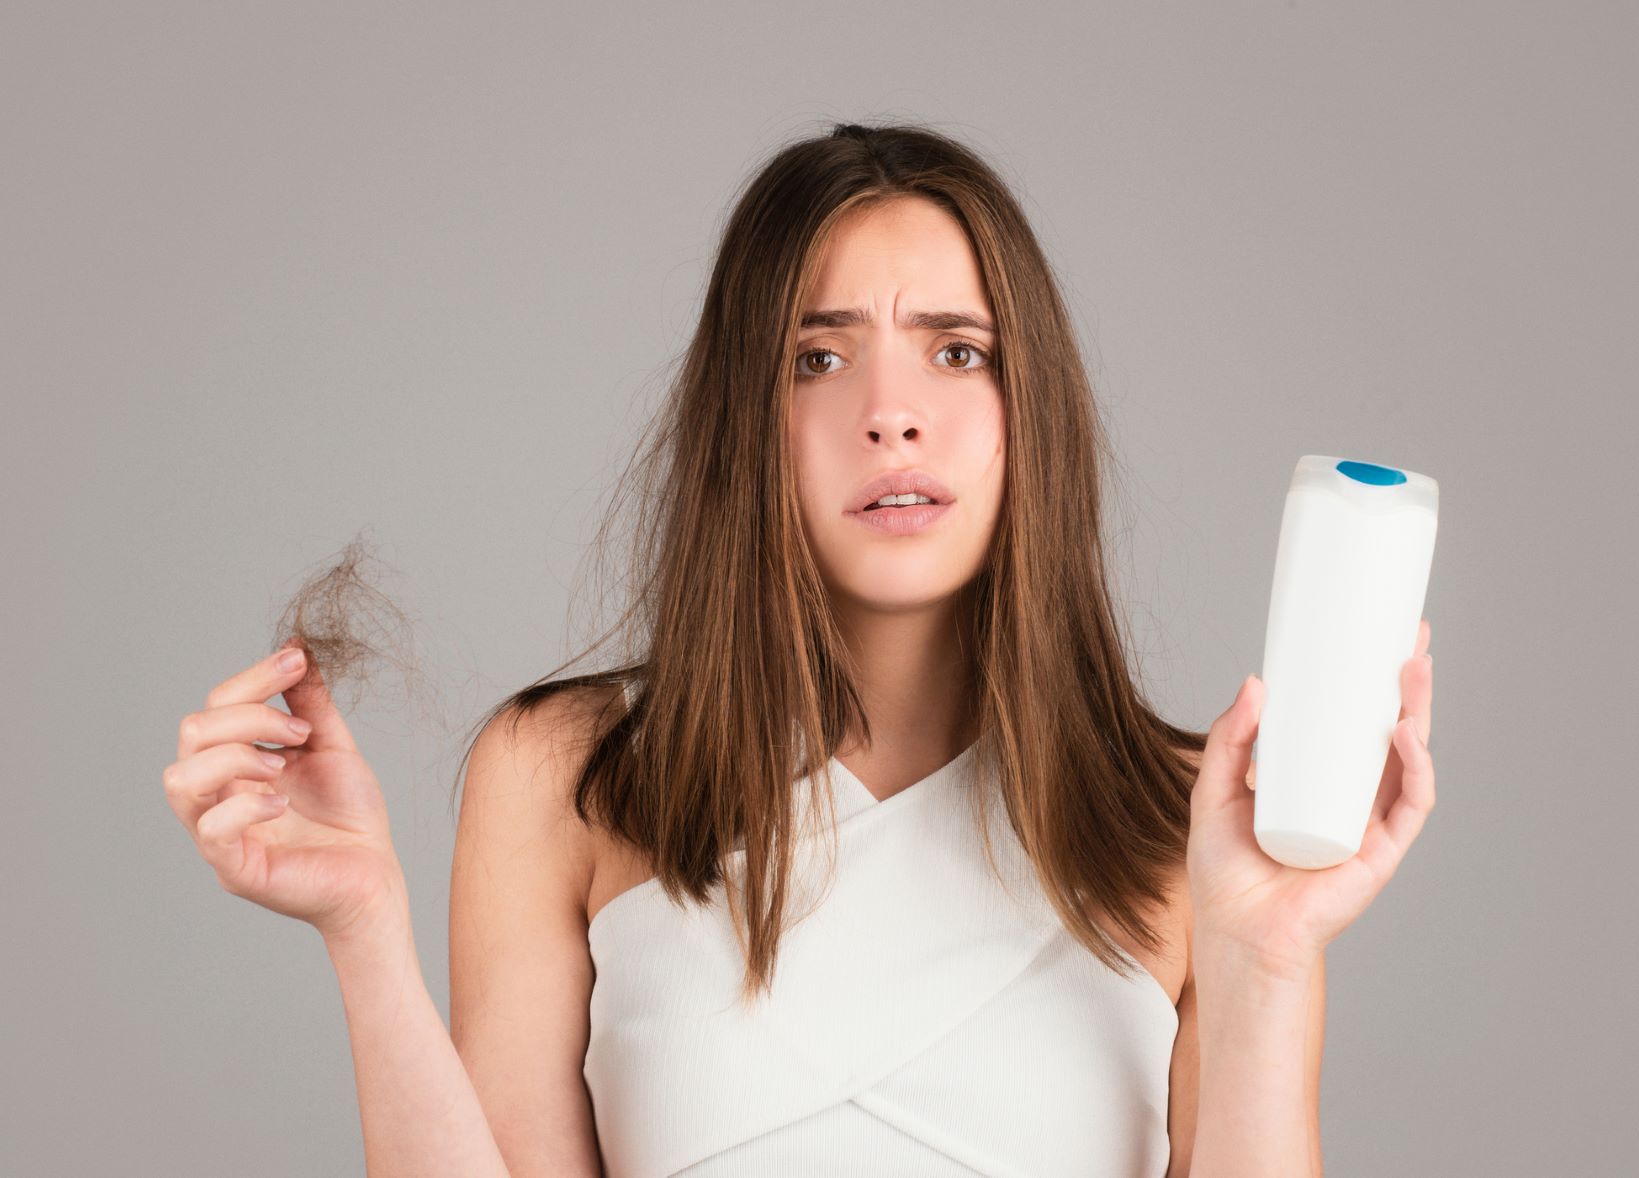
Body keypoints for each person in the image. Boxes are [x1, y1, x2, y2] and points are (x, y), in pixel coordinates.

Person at [162, 122, 1437, 1177]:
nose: (891, 414)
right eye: (818, 357)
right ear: (746, 420)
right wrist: (364, 931)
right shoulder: (567, 778)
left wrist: (1267, 957)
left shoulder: (1194, 819)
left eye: (957, 351)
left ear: (1027, 408)